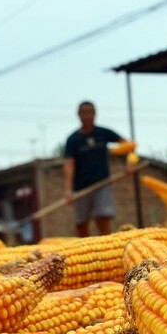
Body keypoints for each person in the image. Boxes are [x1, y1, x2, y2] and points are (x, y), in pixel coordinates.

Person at [63, 101, 129, 237]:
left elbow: (127, 144)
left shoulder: (103, 133)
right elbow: (69, 164)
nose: (87, 116)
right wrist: (68, 189)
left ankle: (107, 251)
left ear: (95, 114)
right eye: (84, 112)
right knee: (81, 224)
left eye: (90, 112)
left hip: (102, 185)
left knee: (103, 219)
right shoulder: (73, 140)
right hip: (81, 188)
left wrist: (129, 163)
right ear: (79, 115)